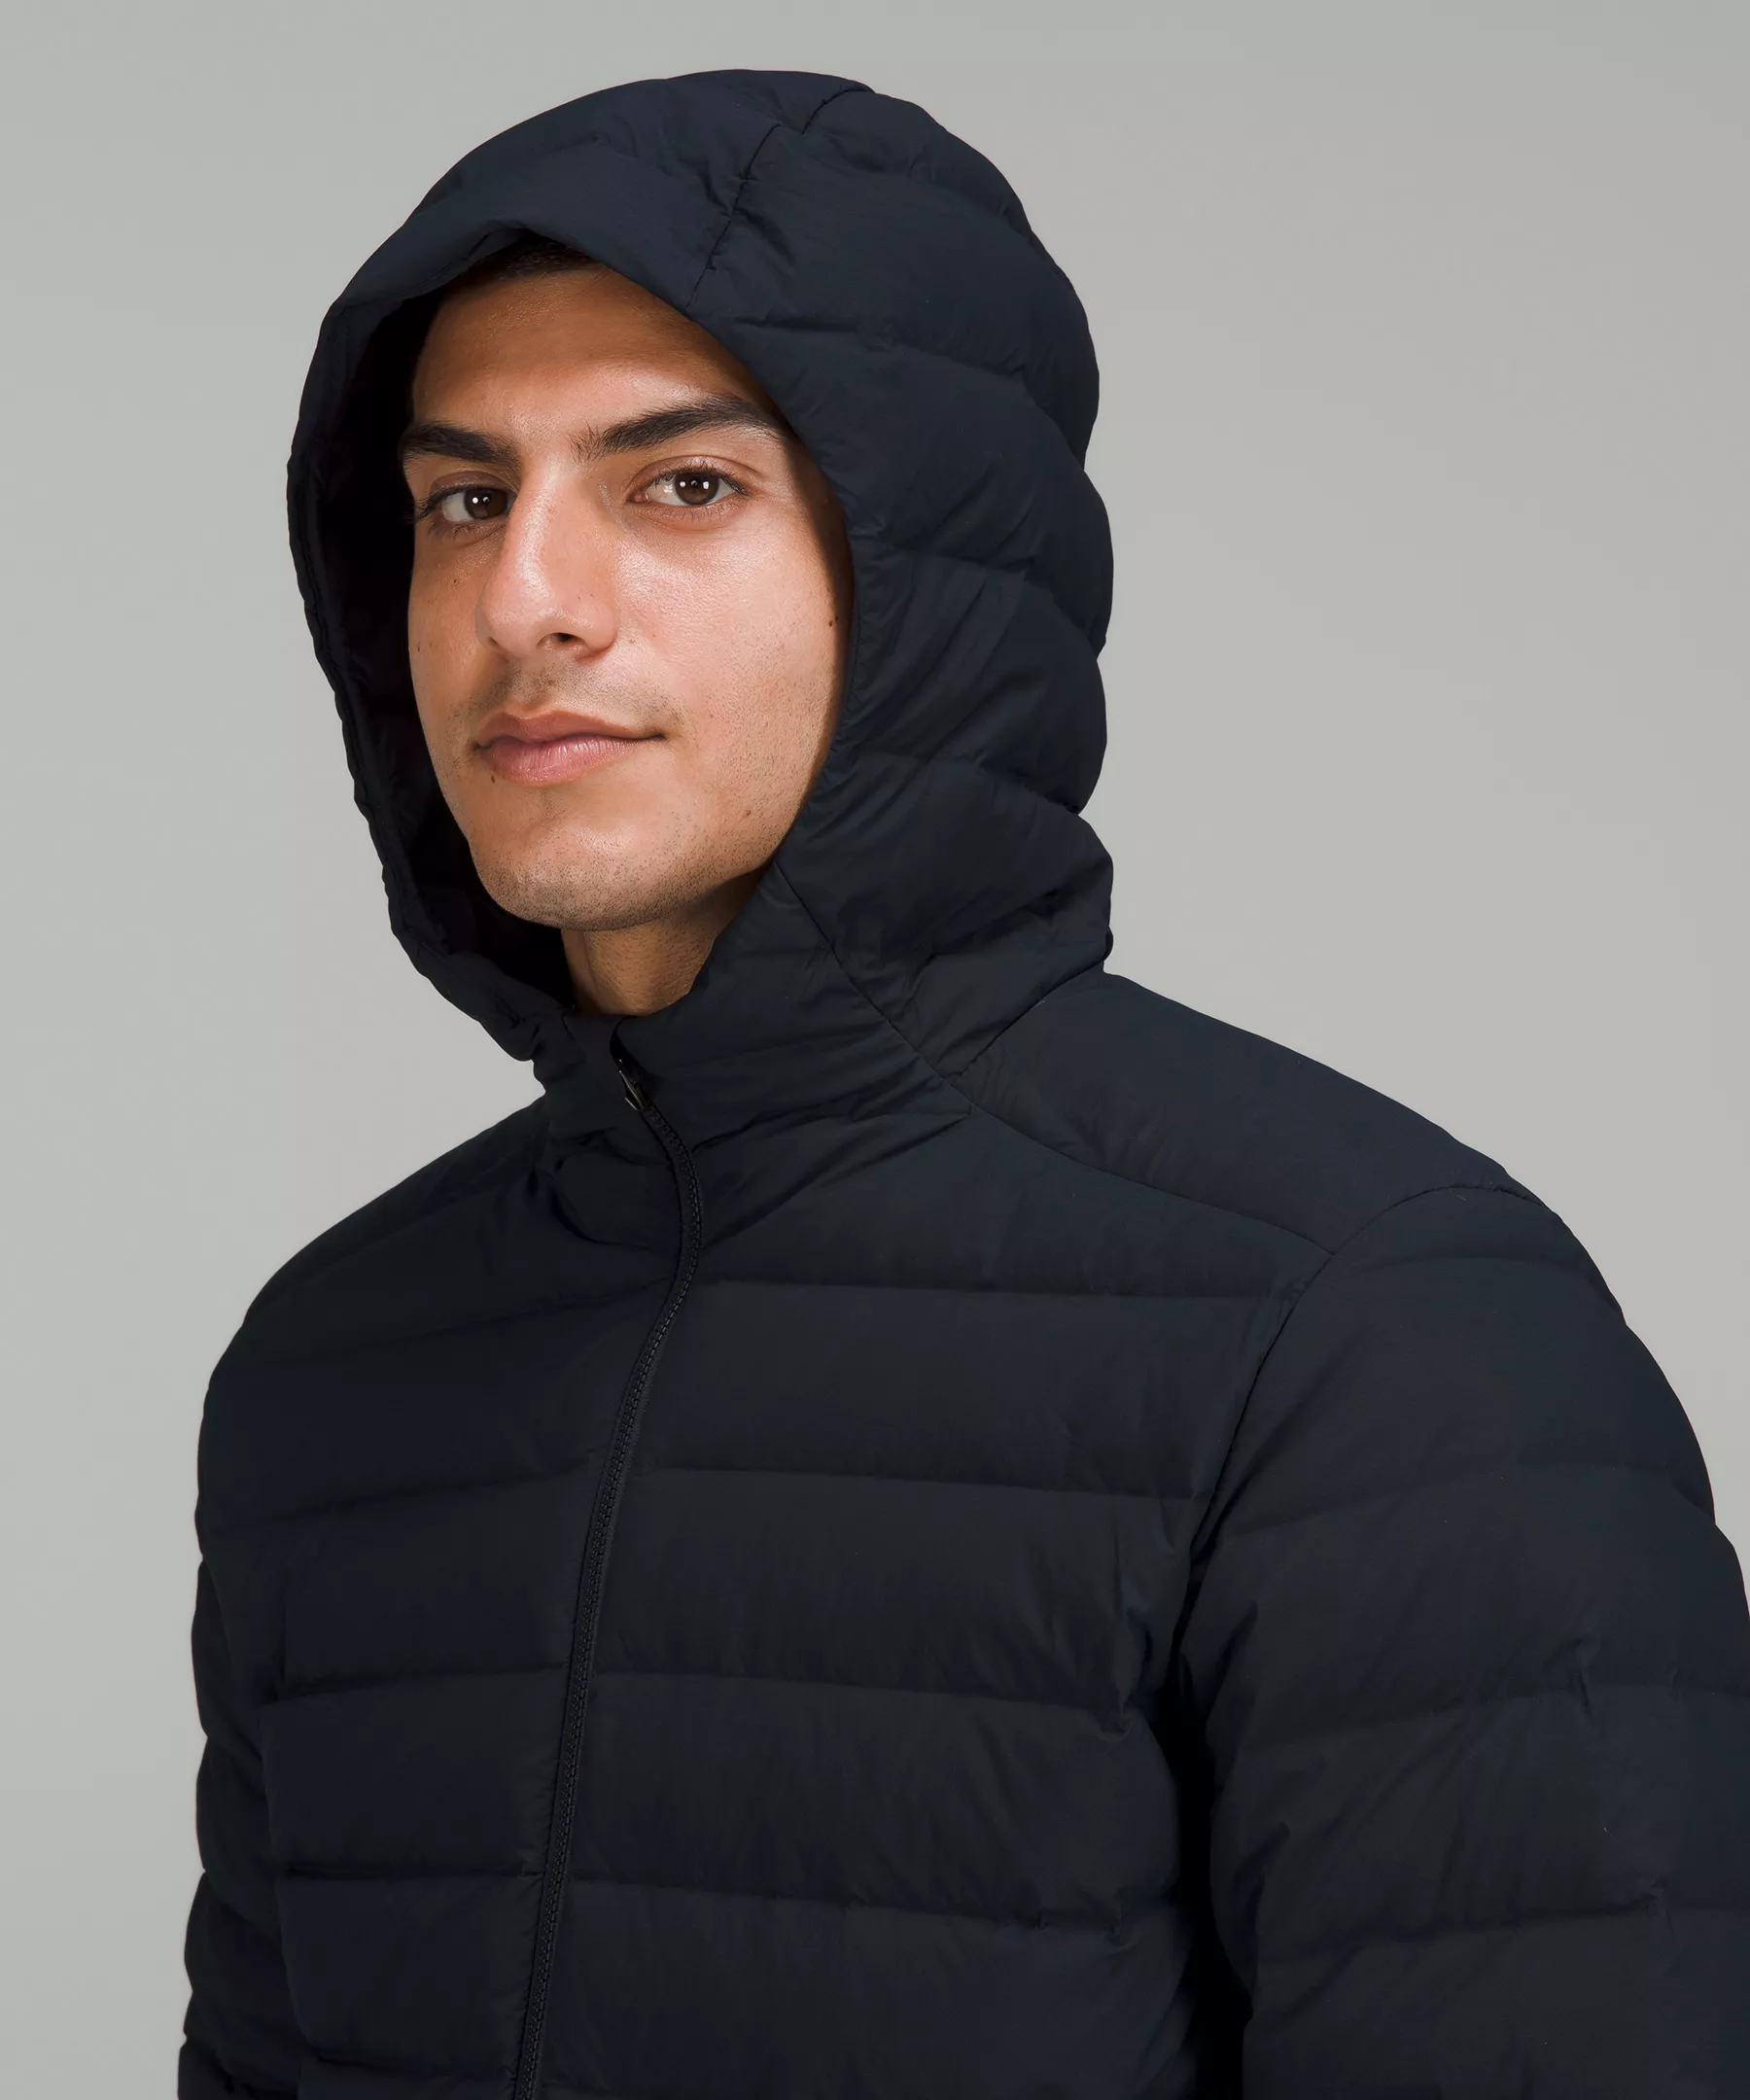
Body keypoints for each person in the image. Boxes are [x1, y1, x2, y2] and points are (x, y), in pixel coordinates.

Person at [181, 68, 1750, 2100]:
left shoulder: (1377, 1335)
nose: (524, 599)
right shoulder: (334, 1370)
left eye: (683, 486)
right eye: (464, 500)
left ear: (927, 577)